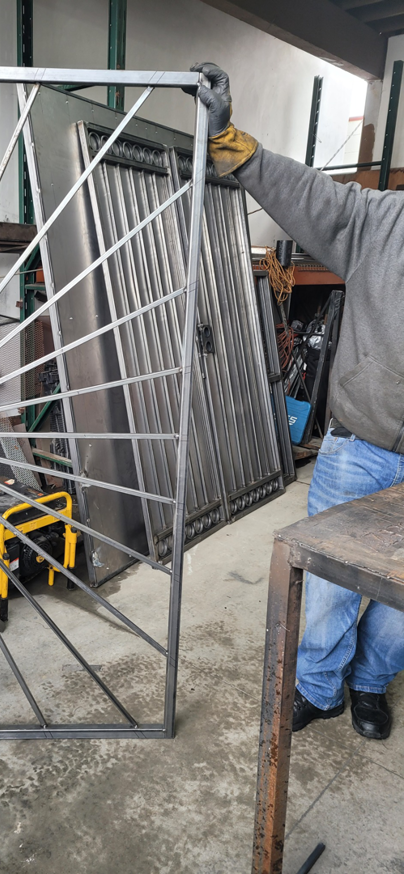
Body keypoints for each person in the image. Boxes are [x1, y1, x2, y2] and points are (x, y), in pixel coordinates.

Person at [189, 62, 404, 740]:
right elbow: (307, 192)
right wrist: (228, 137)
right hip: (361, 443)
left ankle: (370, 683)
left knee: (402, 602)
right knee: (333, 585)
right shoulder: (381, 223)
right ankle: (321, 687)